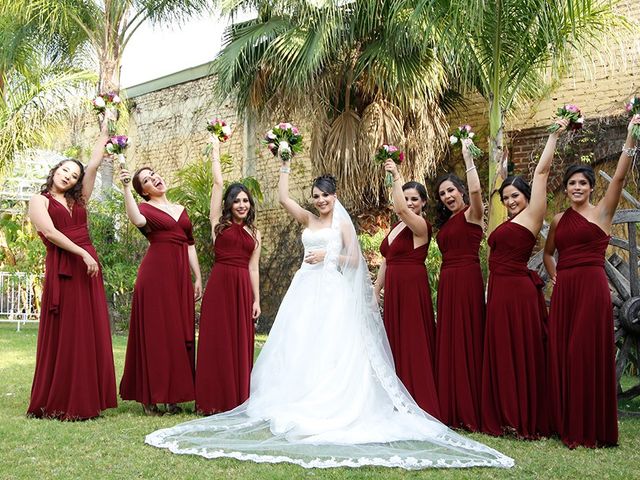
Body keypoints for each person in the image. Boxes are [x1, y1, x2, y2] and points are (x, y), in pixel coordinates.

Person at [143, 156, 514, 470]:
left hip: (332, 288)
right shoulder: (309, 220)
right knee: (300, 341)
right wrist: (285, 162)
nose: (321, 201)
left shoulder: (341, 224)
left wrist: (329, 256)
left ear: (335, 197)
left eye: (325, 196)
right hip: (305, 288)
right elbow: (285, 199)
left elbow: (354, 259)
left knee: (333, 345)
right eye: (317, 197)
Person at [543, 114, 640, 448]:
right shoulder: (557, 219)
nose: (577, 188)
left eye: (583, 183)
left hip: (593, 290)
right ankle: (564, 418)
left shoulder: (603, 213)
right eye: (572, 183)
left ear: (590, 187)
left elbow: (620, 178)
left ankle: (590, 423)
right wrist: (556, 279)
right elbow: (548, 254)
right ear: (567, 188)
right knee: (563, 353)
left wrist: (630, 137)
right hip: (566, 291)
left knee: (584, 352)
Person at [481, 118, 568, 439]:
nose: (510, 201)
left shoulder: (533, 214)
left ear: (527, 196)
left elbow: (542, 173)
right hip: (500, 293)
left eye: (515, 195)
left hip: (518, 293)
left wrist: (553, 136)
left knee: (522, 352)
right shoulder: (510, 220)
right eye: (505, 198)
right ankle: (506, 414)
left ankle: (524, 415)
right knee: (503, 352)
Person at [27, 127, 117, 420]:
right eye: (65, 170)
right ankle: (60, 397)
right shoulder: (39, 200)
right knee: (67, 330)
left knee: (87, 331)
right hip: (65, 267)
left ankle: (88, 395)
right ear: (55, 171)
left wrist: (105, 126)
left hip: (87, 269)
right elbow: (50, 233)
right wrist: (83, 253)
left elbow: (93, 164)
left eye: (74, 175)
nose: (69, 176)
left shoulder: (79, 201)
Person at [118, 164, 202, 415]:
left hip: (179, 277)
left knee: (178, 332)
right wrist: (125, 189)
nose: (154, 179)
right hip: (155, 277)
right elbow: (136, 219)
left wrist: (197, 276)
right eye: (147, 180)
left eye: (154, 174)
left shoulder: (180, 210)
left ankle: (173, 396)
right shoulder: (144, 208)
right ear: (143, 191)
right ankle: (150, 397)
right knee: (156, 334)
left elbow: (189, 245)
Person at [195, 137, 261, 414]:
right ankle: (212, 399)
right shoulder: (217, 226)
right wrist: (216, 151)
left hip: (242, 288)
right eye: (237, 200)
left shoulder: (255, 233)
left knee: (239, 343)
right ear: (229, 204)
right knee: (217, 341)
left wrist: (257, 299)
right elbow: (218, 184)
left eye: (246, 200)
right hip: (220, 286)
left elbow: (253, 267)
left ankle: (237, 399)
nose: (242, 204)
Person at [374, 161, 439, 417]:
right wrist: (376, 288)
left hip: (412, 286)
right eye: (407, 197)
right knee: (394, 339)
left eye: (415, 199)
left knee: (413, 339)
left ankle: (419, 397)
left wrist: (397, 175)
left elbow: (400, 208)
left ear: (423, 202)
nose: (409, 202)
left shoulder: (421, 226)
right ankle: (396, 396)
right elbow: (387, 259)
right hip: (393, 288)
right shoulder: (397, 227)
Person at [434, 139, 484, 431]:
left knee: (468, 337)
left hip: (466, 279)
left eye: (451, 190)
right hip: (448, 282)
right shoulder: (448, 222)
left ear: (461, 191)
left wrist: (468, 158)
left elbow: (477, 190)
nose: (447, 196)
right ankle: (450, 405)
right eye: (442, 194)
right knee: (451, 340)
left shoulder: (472, 214)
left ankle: (470, 406)